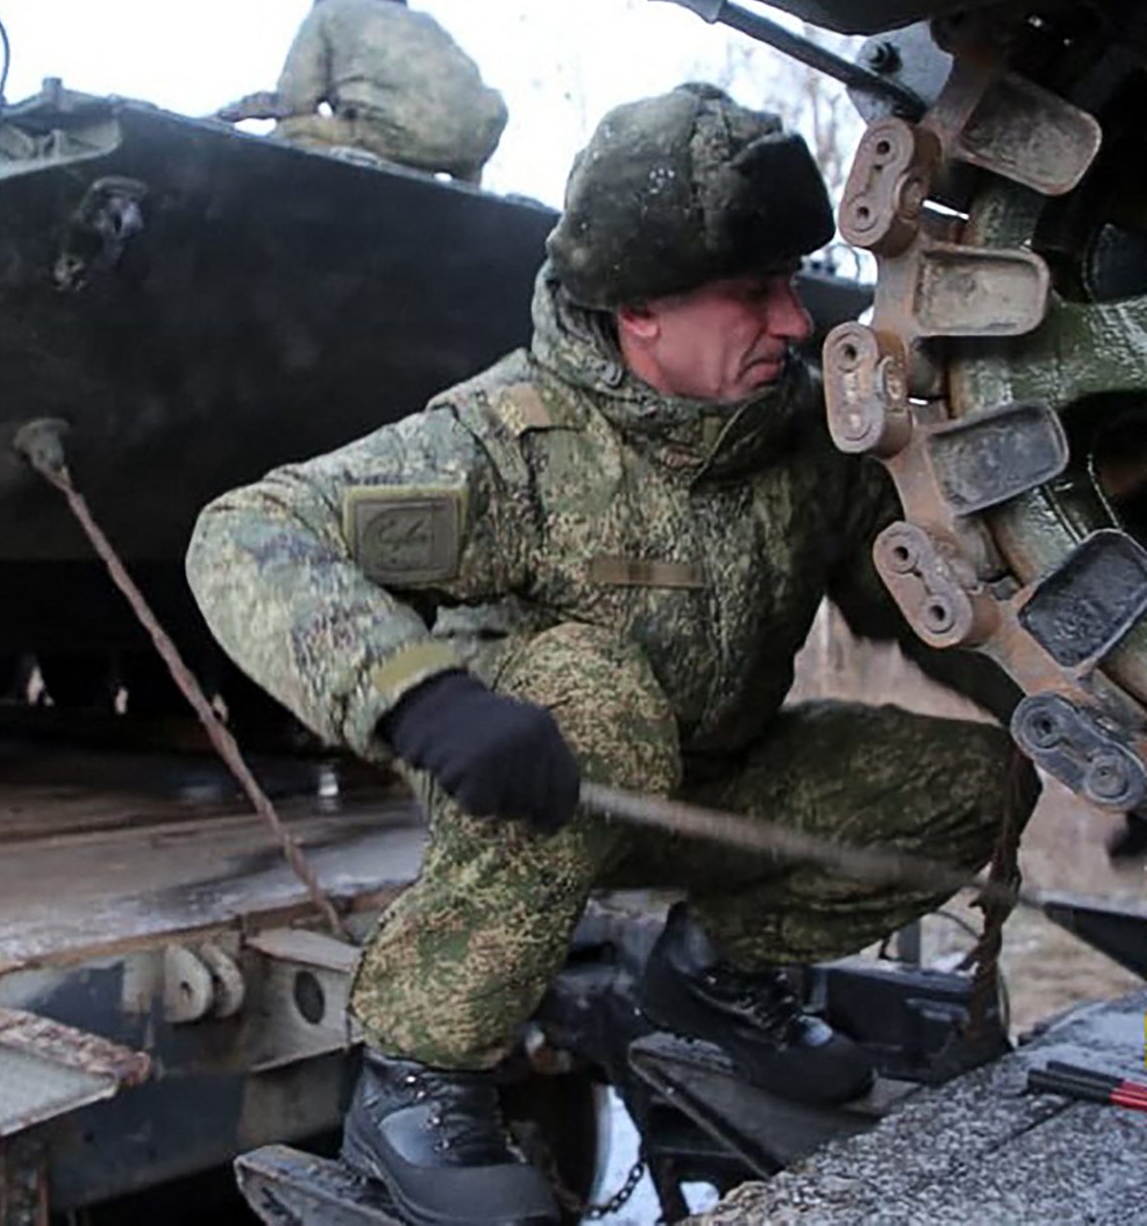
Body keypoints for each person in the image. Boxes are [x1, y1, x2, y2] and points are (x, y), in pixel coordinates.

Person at [185, 82, 1029, 1224]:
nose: (793, 321)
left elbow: (935, 607)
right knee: (591, 693)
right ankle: (418, 1079)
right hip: (538, 784)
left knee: (972, 783)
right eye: (752, 293)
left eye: (789, 283)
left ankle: (717, 980)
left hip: (710, 784)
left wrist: (1101, 730)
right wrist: (417, 698)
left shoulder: (805, 446)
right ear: (640, 310)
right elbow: (247, 531)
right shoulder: (507, 441)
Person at [263, 0, 509, 182]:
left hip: (390, 132)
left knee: (288, 136)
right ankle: (458, 189)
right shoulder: (425, 22)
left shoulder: (329, 9)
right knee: (446, 131)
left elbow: (296, 101)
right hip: (471, 146)